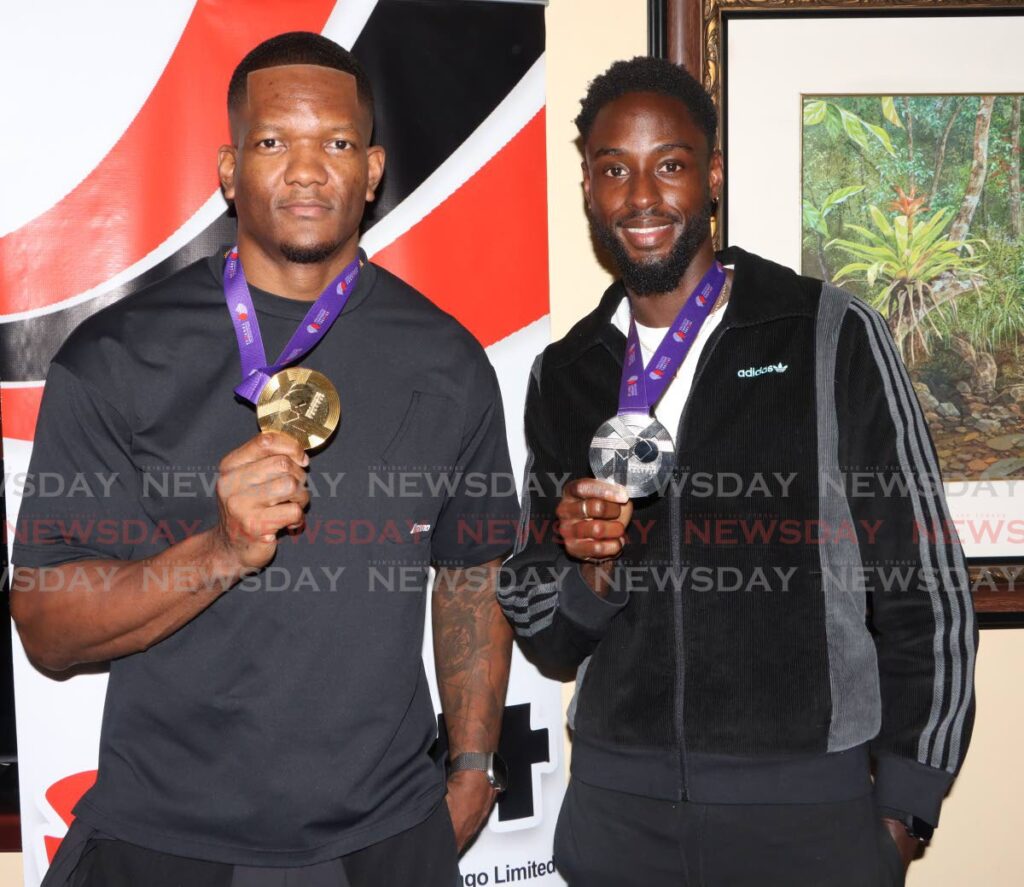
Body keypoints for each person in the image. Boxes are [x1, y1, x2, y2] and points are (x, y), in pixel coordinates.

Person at [12, 32, 518, 887]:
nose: (308, 170)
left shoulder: (448, 361)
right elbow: (47, 628)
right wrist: (218, 551)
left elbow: (471, 569)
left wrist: (470, 765)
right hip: (168, 838)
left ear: (373, 169)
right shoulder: (116, 358)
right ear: (227, 167)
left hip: (385, 837)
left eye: (338, 143)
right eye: (274, 142)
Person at [499, 56, 977, 886]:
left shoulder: (825, 332)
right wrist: (595, 574)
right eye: (614, 169)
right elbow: (544, 629)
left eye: (670, 165)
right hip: (618, 813)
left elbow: (924, 584)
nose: (641, 196)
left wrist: (902, 811)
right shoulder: (566, 371)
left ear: (711, 175)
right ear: (587, 187)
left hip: (804, 817)